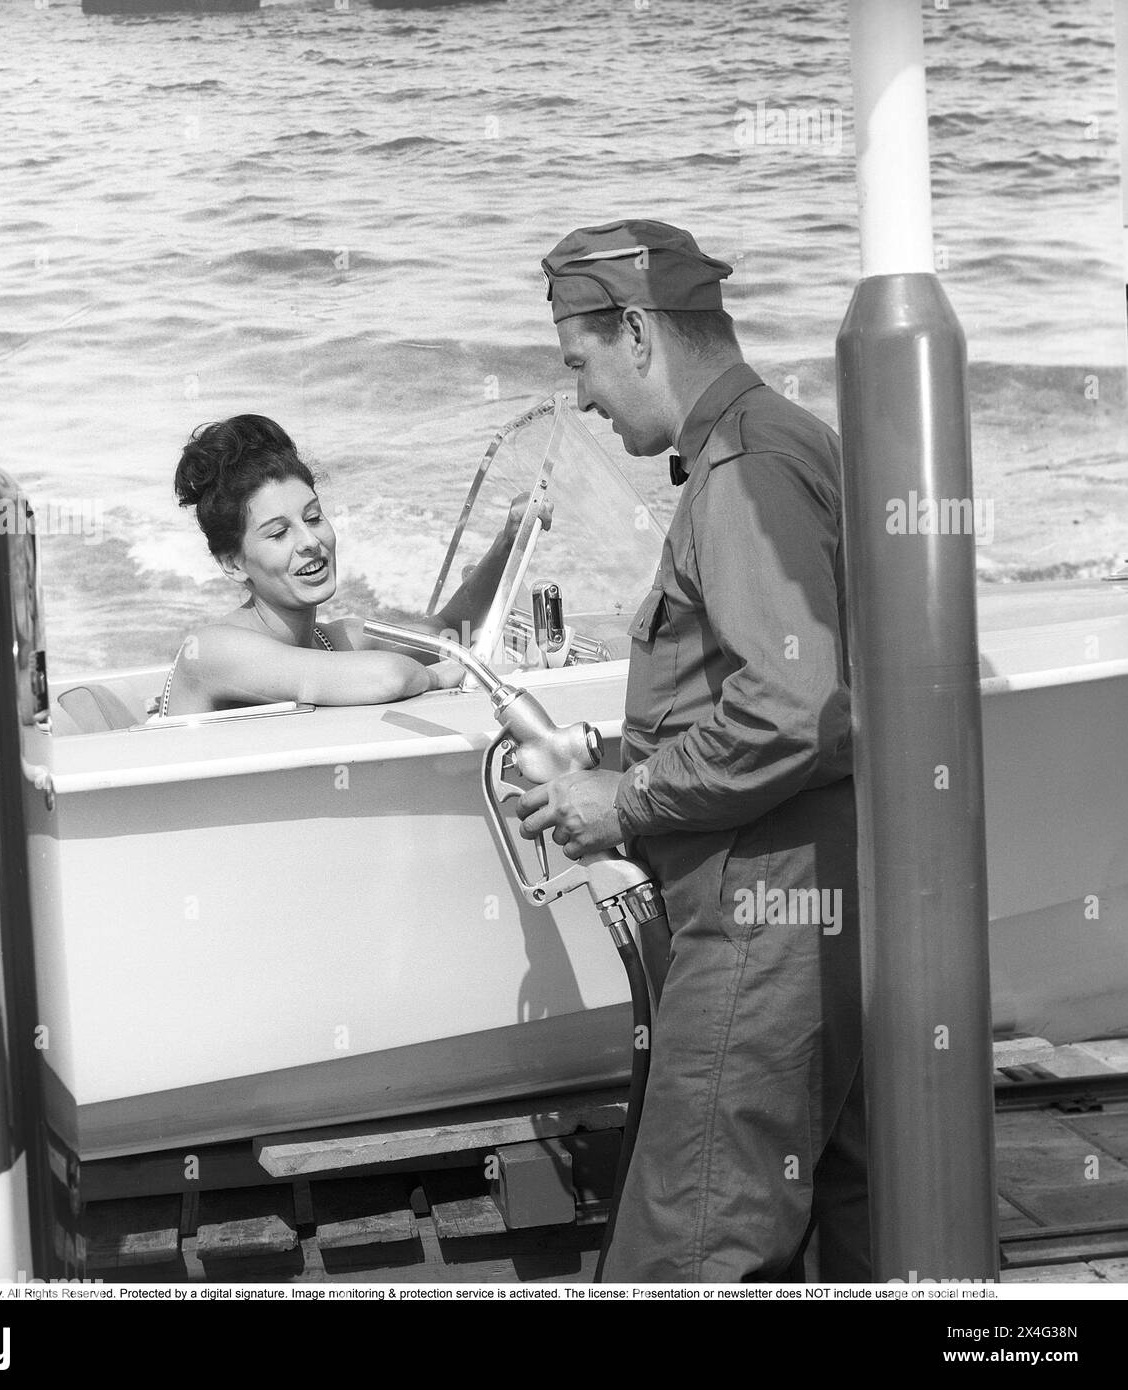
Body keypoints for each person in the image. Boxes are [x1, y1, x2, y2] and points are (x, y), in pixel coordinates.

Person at [516, 219, 870, 1282]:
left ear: (636, 330)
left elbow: (795, 705)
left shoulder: (742, 474)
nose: (581, 398)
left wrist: (624, 802)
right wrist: (614, 748)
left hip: (761, 926)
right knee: (852, 1226)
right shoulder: (786, 440)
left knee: (691, 1241)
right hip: (824, 907)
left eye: (581, 366)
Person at [160, 414, 544, 715]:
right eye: (278, 534)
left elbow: (447, 629)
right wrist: (436, 677)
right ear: (232, 564)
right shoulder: (212, 650)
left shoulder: (333, 640)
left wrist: (510, 538)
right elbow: (388, 677)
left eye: (312, 518)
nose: (310, 542)